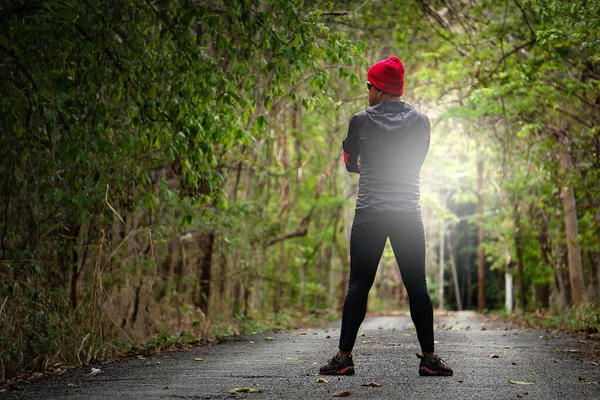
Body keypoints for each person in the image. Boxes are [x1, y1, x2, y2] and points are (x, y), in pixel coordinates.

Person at [319, 56, 453, 377]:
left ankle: (343, 358)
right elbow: (416, 161)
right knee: (417, 284)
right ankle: (429, 359)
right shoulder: (421, 120)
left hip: (370, 211)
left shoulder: (360, 121)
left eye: (368, 86)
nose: (366, 92)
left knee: (359, 284)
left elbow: (350, 163)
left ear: (378, 89)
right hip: (407, 211)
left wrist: (366, 162)